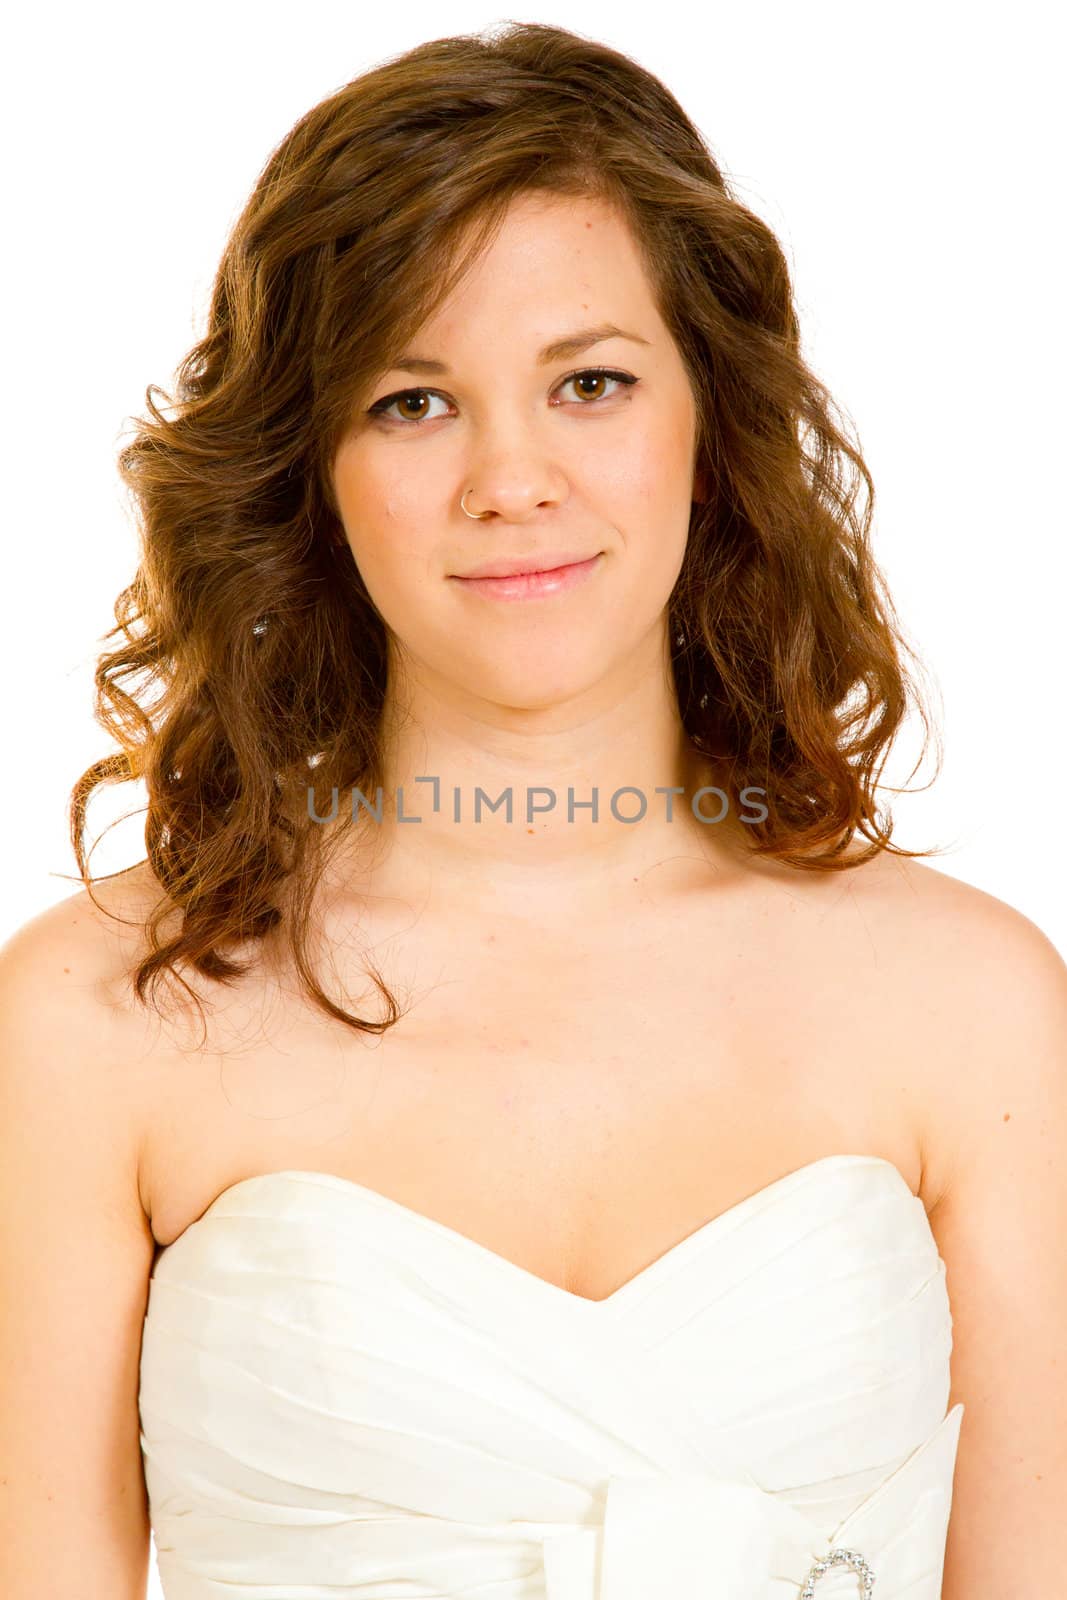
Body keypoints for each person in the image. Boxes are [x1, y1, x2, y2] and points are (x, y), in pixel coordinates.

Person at [1, 20, 1063, 1600]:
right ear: (311, 472)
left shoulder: (970, 1003)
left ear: (708, 429)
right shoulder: (89, 1022)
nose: (513, 477)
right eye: (411, 403)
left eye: (590, 382)